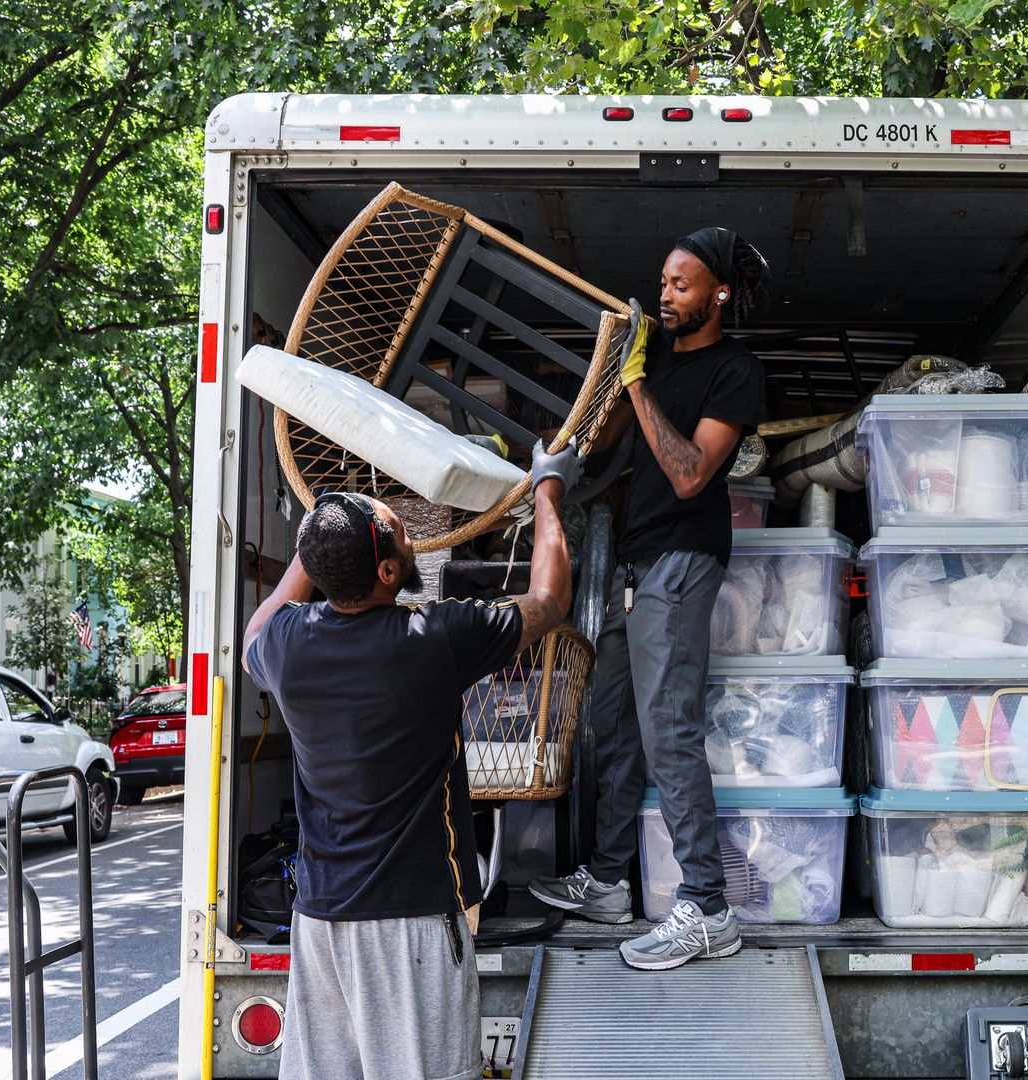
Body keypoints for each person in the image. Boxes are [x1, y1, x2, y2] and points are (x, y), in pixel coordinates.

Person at [242, 441, 581, 1080]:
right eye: (399, 530)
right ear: (390, 572)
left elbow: (256, 630)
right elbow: (549, 599)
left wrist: (312, 550)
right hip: (413, 927)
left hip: (320, 920)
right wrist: (547, 491)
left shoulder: (287, 644)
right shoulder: (432, 639)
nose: (408, 529)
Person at [531, 226, 767, 971]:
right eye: (663, 281)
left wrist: (635, 385)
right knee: (615, 724)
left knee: (670, 733)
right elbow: (609, 449)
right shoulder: (655, 356)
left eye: (682, 284)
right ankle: (606, 882)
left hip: (683, 560)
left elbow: (692, 472)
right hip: (636, 569)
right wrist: (562, 452)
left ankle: (707, 905)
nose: (666, 295)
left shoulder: (736, 371)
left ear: (719, 294)